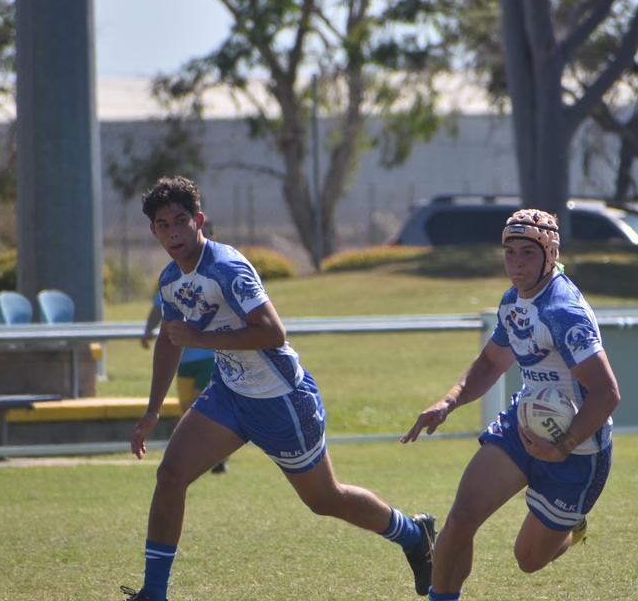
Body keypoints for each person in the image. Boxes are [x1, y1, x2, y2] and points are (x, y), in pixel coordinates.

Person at [122, 176, 435, 601]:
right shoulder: (170, 279)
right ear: (154, 232)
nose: (174, 232)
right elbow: (169, 338)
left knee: (325, 499)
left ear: (199, 220)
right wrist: (153, 409)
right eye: (163, 225)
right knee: (171, 474)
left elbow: (272, 332)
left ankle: (414, 535)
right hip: (231, 395)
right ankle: (153, 593)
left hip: (281, 400)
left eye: (181, 221)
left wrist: (203, 340)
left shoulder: (226, 268)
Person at [401, 209, 619, 601]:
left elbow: (607, 394)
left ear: (550, 254)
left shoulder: (563, 312)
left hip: (578, 451)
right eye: (509, 252)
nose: (516, 264)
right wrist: (448, 402)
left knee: (528, 559)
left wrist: (562, 447)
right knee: (462, 517)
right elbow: (490, 362)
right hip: (522, 426)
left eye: (527, 254)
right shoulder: (514, 300)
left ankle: (572, 526)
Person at [141, 284, 228, 474]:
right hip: (183, 361)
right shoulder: (172, 282)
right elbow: (158, 309)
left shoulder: (207, 280)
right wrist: (148, 330)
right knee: (187, 409)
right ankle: (209, 453)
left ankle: (217, 456)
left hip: (208, 357)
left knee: (202, 408)